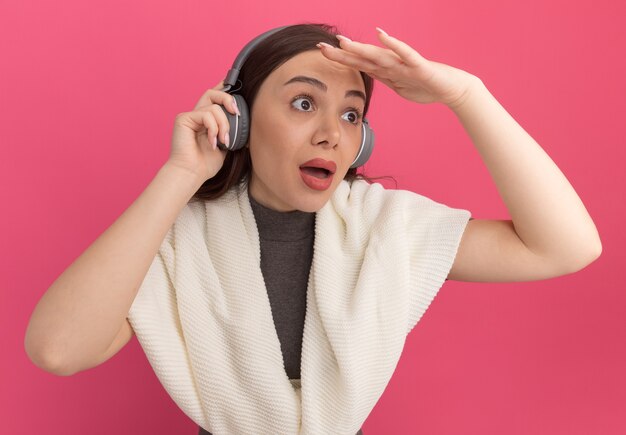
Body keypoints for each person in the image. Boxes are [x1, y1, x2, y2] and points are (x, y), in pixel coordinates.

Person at [24, 23, 602, 435]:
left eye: (352, 114)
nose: (332, 132)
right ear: (239, 119)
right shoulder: (176, 239)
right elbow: (57, 350)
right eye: (304, 103)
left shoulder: (383, 232)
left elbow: (567, 247)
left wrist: (466, 96)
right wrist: (180, 173)